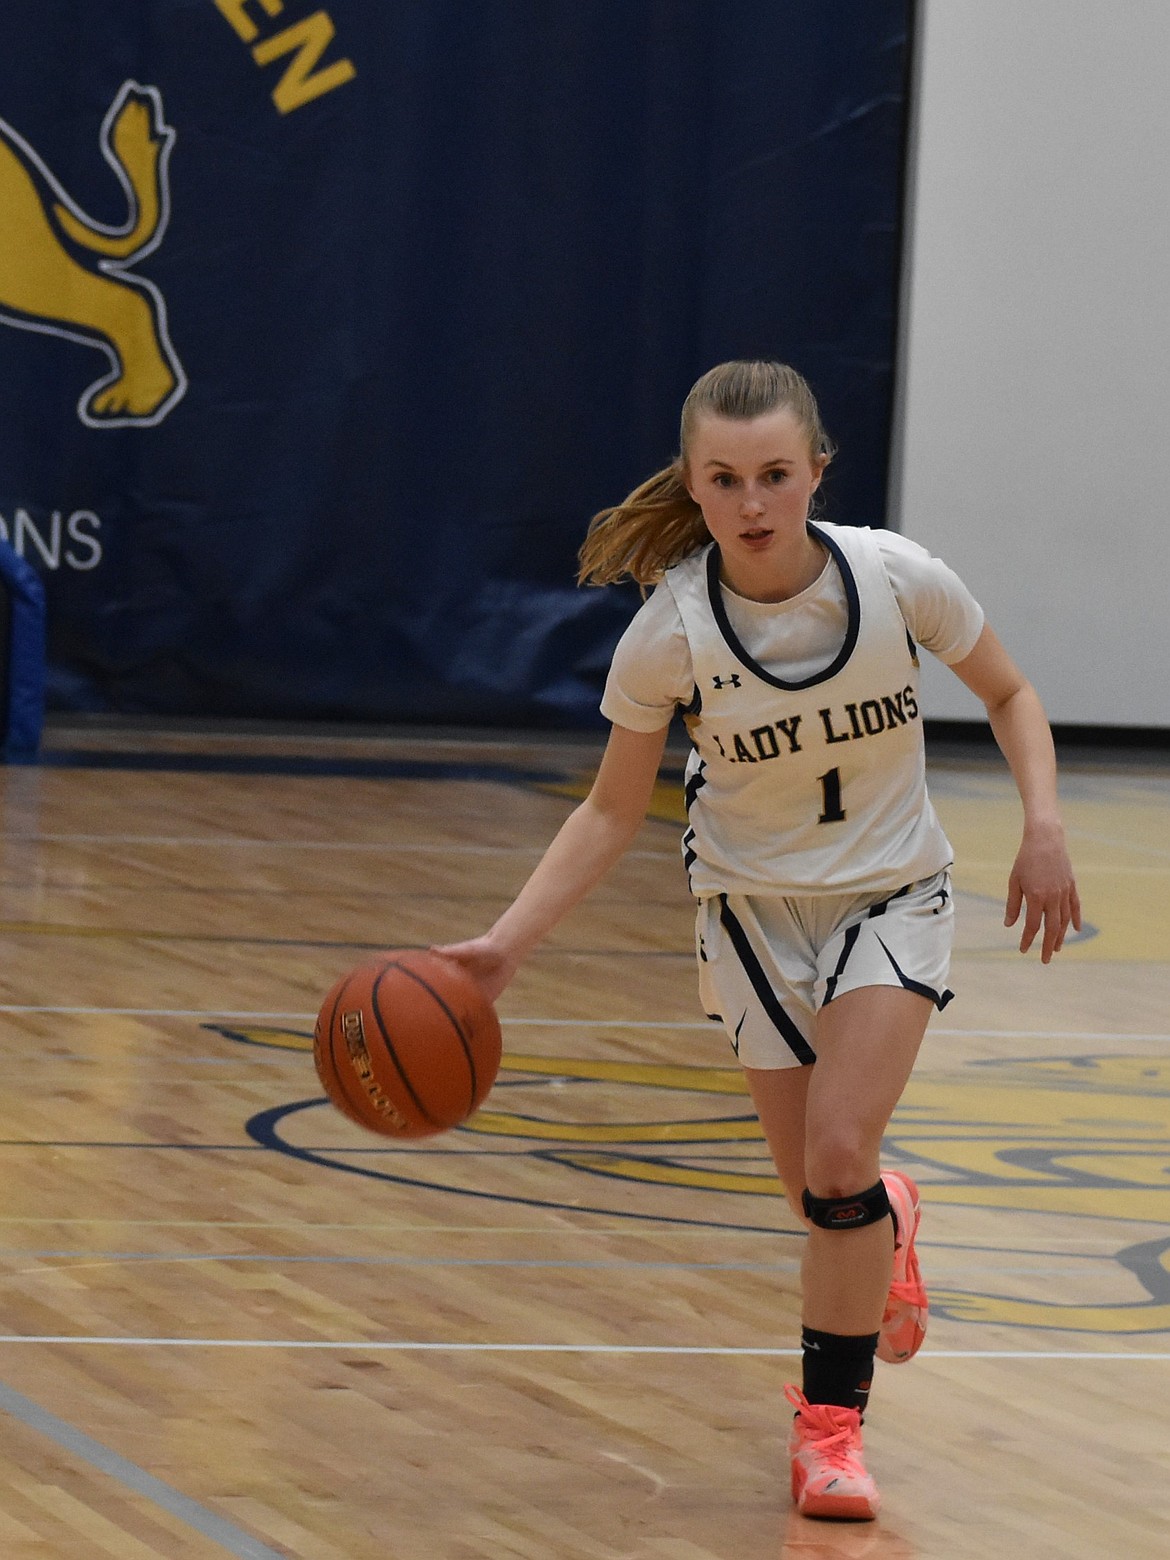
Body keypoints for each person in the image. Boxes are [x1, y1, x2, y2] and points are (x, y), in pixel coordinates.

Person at [437, 360, 1080, 1521]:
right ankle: (893, 1209)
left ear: (816, 473)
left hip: (893, 893)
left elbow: (1013, 692)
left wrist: (1043, 825)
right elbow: (609, 811)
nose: (751, 501)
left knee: (834, 1163)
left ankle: (829, 1435)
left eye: (775, 475)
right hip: (749, 914)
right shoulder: (671, 633)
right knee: (820, 1193)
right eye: (725, 479)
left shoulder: (895, 578)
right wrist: (501, 947)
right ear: (694, 483)